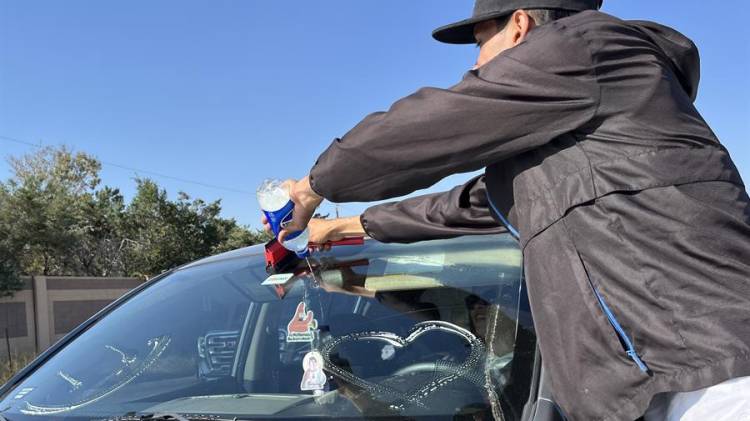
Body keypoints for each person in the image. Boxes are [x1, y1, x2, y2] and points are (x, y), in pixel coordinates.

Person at [265, 1, 750, 419]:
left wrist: (310, 189)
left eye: (480, 43)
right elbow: (470, 205)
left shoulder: (585, 44)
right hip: (662, 383)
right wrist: (352, 224)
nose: (474, 66)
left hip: (717, 379)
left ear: (520, 27)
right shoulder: (582, 134)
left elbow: (428, 127)